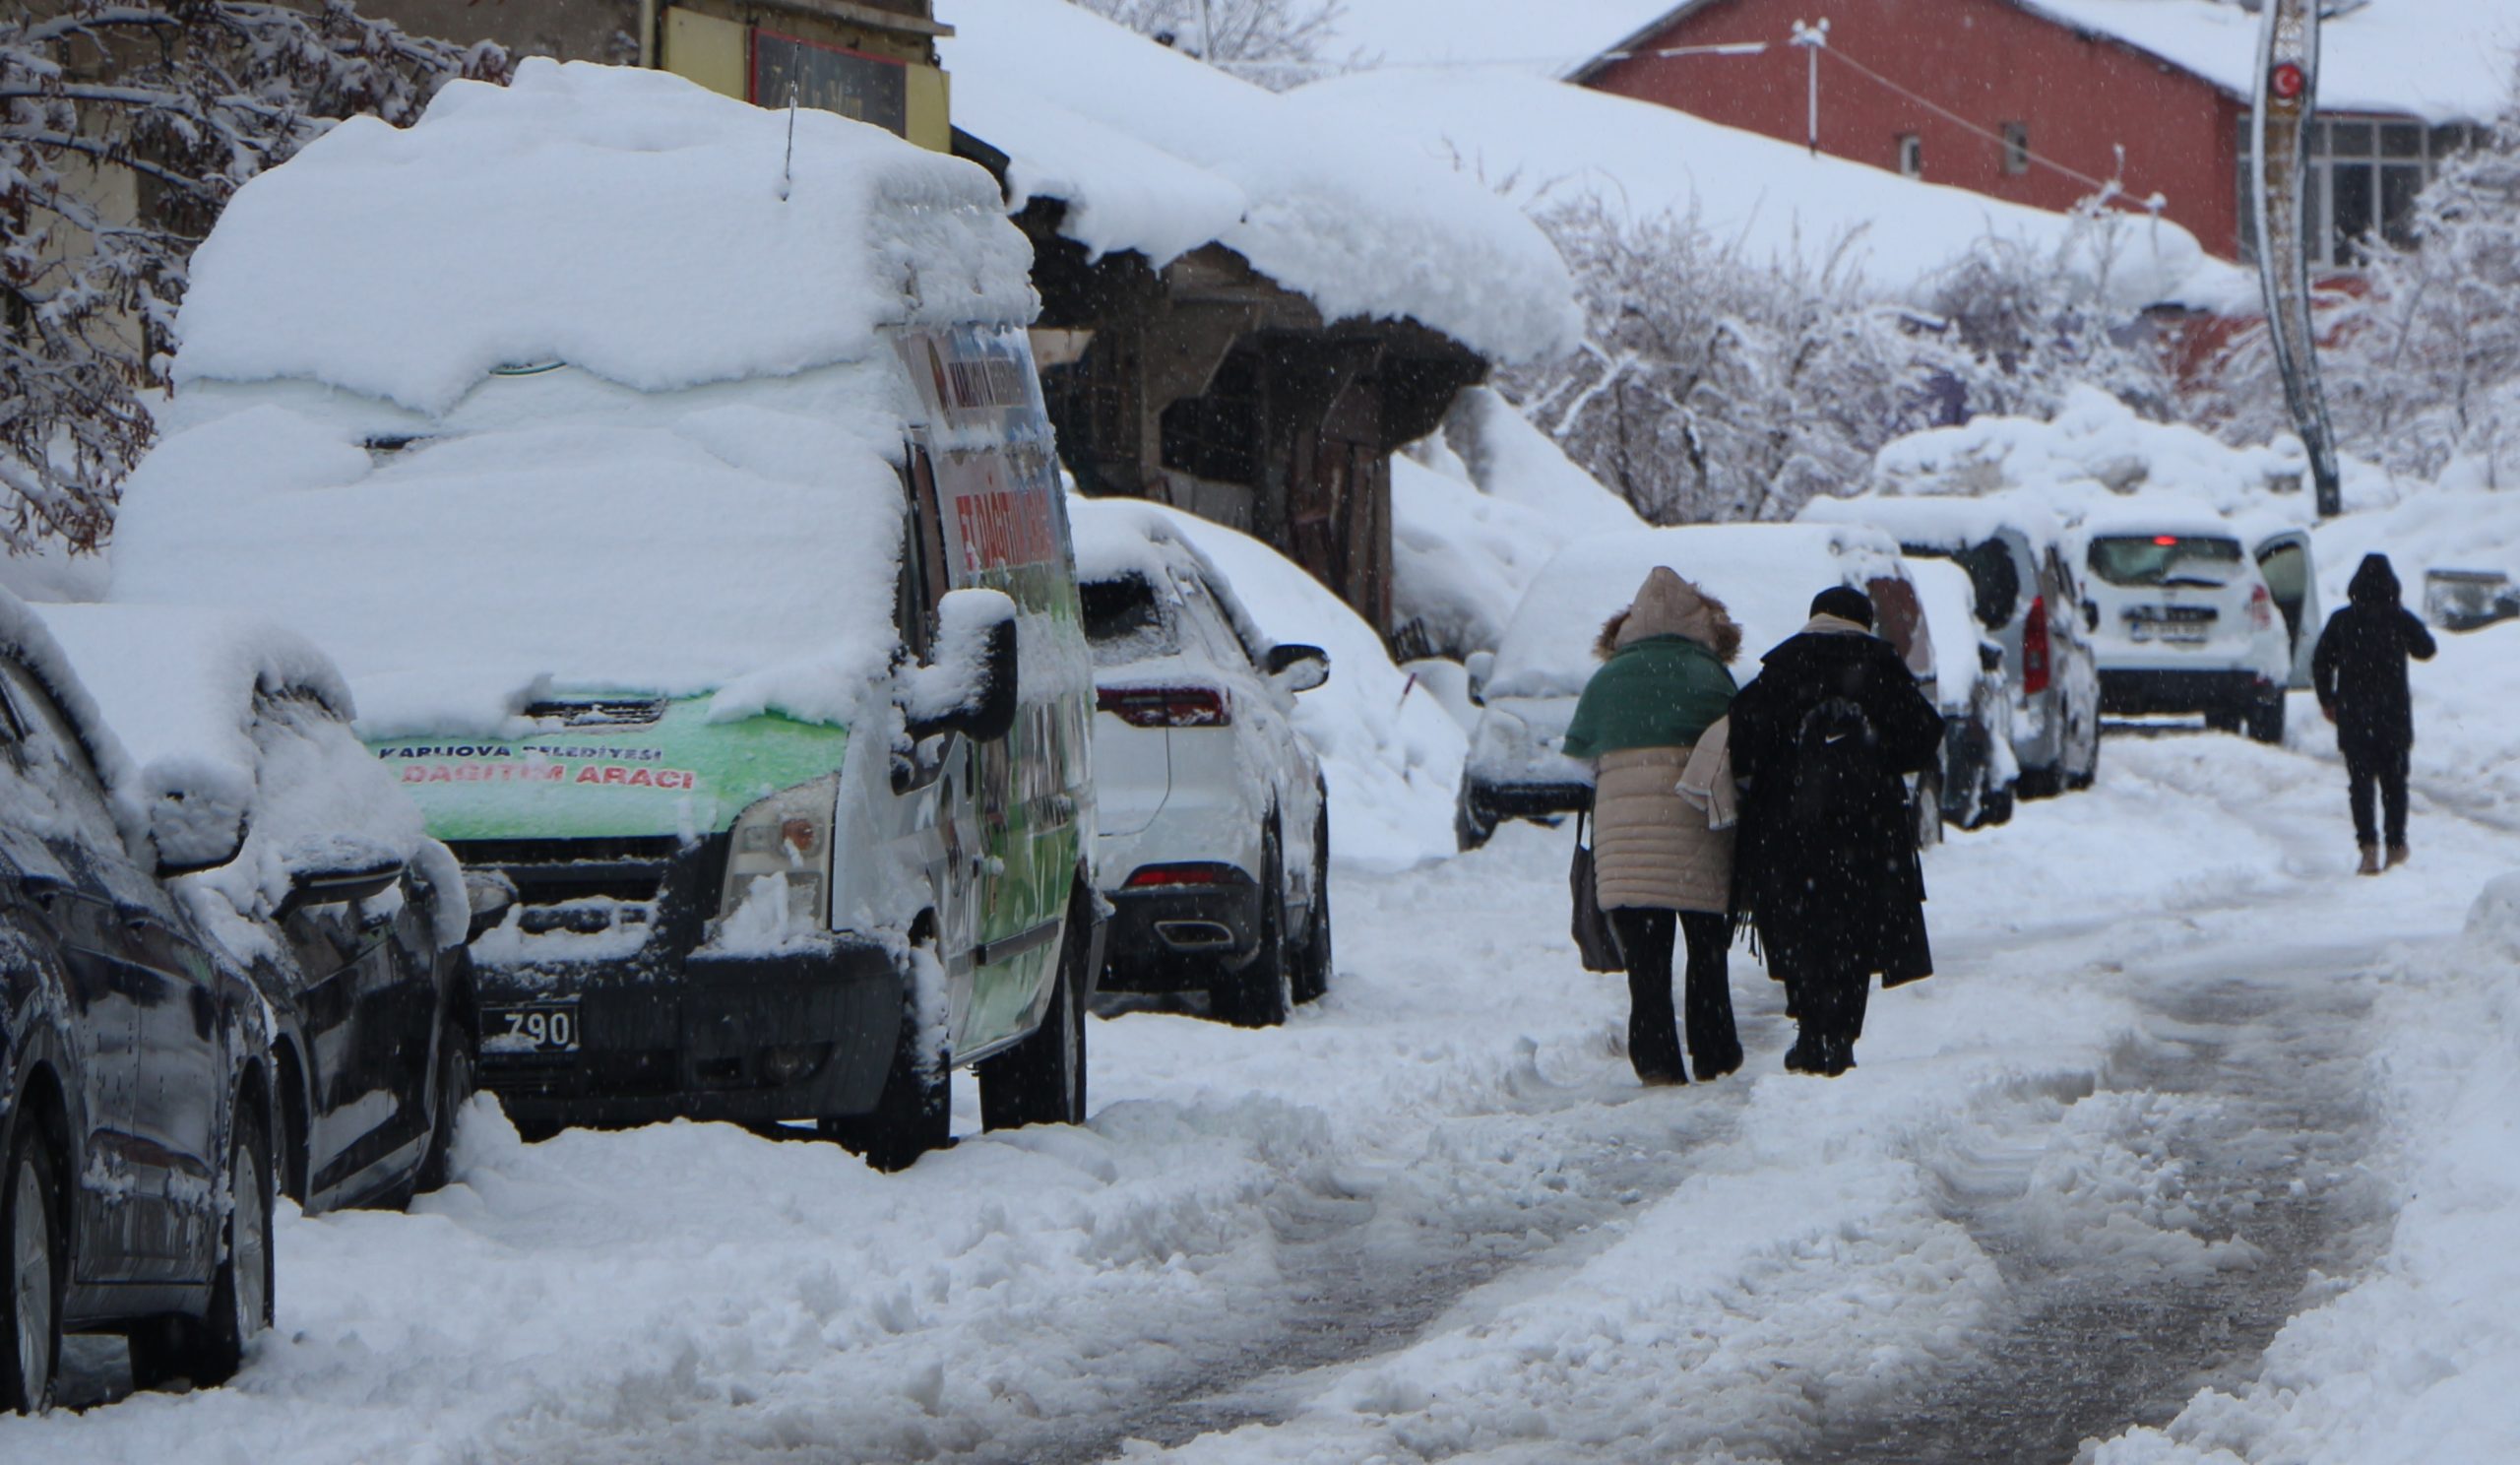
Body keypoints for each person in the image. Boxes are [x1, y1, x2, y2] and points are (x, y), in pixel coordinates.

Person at [1727, 586, 1943, 1077]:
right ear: (1864, 622)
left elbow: (1742, 744)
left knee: (1800, 926)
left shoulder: (1782, 666)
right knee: (1854, 931)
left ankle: (1810, 1030)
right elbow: (1923, 738)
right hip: (1866, 829)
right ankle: (1841, 1036)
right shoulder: (1880, 665)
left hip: (1789, 827)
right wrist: (1875, 757)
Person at [1559, 567, 1746, 1086]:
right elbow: (1736, 752)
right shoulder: (1710, 676)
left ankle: (1657, 1059)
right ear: (1704, 624)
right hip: (1698, 832)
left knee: (1647, 963)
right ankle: (1715, 1054)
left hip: (1626, 843)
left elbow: (1578, 760)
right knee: (1706, 951)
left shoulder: (1607, 680)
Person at [2312, 552, 2437, 875]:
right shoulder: (2399, 619)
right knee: (2395, 785)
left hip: (2354, 716)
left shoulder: (2342, 621)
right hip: (2393, 717)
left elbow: (2320, 661)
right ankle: (2396, 846)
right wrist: (2402, 624)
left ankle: (2368, 848)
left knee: (2361, 785)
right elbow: (2427, 649)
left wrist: (2328, 699)